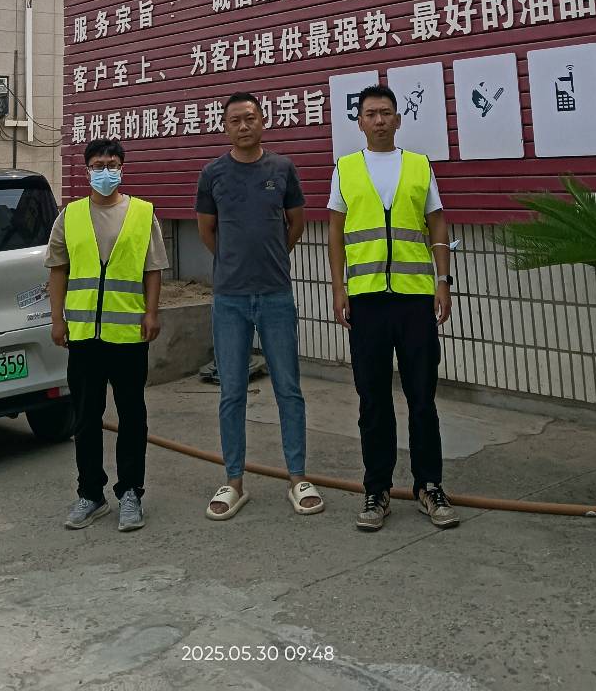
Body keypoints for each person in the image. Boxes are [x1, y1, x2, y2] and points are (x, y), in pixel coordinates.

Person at [326, 84, 459, 532]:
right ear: (360, 122)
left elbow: (437, 223)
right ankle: (377, 489)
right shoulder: (345, 168)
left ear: (398, 119)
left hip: (415, 297)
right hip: (366, 300)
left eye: (386, 112)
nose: (379, 120)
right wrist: (338, 288)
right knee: (373, 399)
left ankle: (429, 486)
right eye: (371, 113)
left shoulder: (419, 165)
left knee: (422, 397)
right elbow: (335, 232)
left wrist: (442, 281)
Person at [195, 92, 324, 520]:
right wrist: (234, 264)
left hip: (275, 295)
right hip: (229, 298)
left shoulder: (282, 169)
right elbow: (207, 231)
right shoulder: (212, 174)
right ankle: (234, 481)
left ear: (263, 121)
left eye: (250, 118)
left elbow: (296, 224)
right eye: (235, 120)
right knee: (231, 391)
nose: (244, 126)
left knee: (289, 388)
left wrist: (271, 258)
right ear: (225, 127)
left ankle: (298, 478)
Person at [47, 136, 168, 532]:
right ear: (87, 171)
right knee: (86, 417)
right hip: (83, 334)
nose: (105, 171)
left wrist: (152, 313)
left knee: (132, 416)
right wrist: (57, 319)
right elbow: (58, 269)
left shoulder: (142, 213)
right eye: (98, 165)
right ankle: (90, 494)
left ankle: (131, 492)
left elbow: (153, 269)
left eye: (111, 164)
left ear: (122, 168)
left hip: (129, 333)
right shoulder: (70, 215)